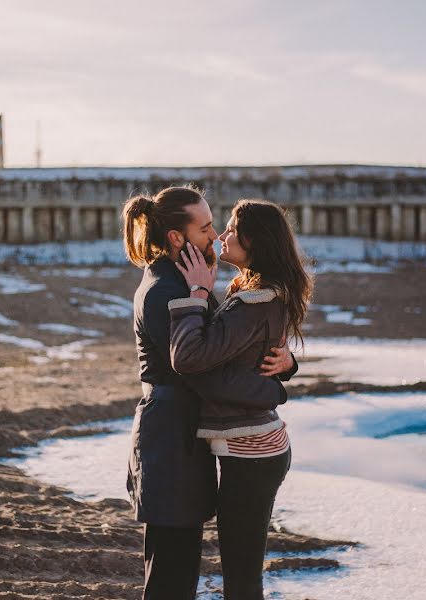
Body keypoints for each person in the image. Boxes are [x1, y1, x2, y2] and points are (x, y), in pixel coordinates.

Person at [122, 186, 298, 600]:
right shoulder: (170, 289)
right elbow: (203, 370)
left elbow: (231, 350)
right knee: (171, 571)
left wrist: (288, 366)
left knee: (181, 565)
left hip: (187, 432)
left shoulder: (184, 278)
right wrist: (273, 389)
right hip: (171, 435)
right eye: (204, 227)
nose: (215, 234)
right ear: (176, 238)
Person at [168, 198, 312, 600]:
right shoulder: (256, 294)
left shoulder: (255, 302)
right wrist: (285, 370)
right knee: (241, 571)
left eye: (231, 228)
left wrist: (196, 293)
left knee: (242, 576)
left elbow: (190, 357)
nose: (222, 235)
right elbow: (249, 358)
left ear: (255, 241)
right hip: (255, 448)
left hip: (252, 453)